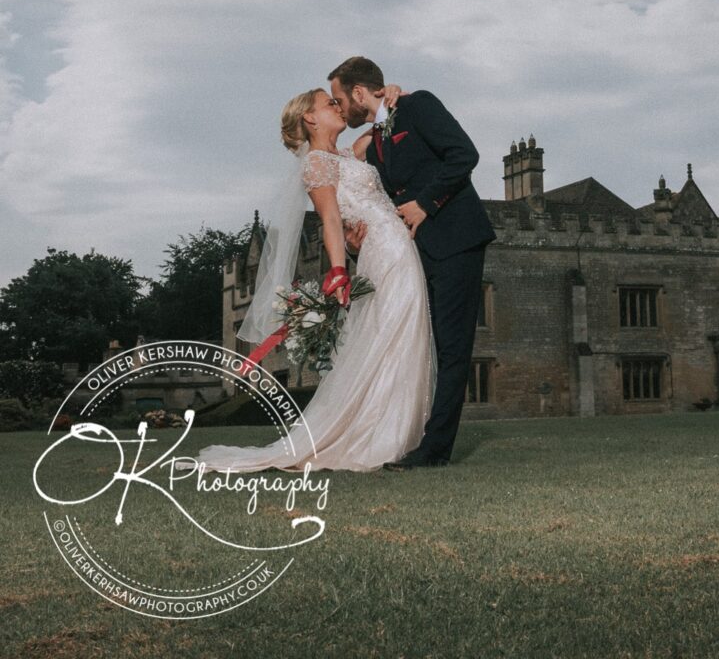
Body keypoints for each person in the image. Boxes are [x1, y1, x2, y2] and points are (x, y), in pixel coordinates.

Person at [196, 90, 434, 473]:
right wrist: (339, 270)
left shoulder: (347, 154)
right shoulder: (317, 163)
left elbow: (385, 122)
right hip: (385, 251)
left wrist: (393, 95)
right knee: (392, 333)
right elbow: (331, 219)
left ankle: (398, 435)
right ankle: (384, 439)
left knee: (399, 334)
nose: (338, 106)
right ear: (310, 119)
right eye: (329, 103)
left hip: (396, 245)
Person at [328, 56, 495, 469]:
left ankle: (434, 450)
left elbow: (464, 155)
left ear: (359, 93)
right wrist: (355, 246)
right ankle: (404, 434)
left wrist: (425, 203)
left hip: (456, 239)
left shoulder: (418, 105)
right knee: (424, 345)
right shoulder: (375, 140)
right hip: (415, 254)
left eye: (339, 99)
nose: (339, 108)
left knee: (453, 348)